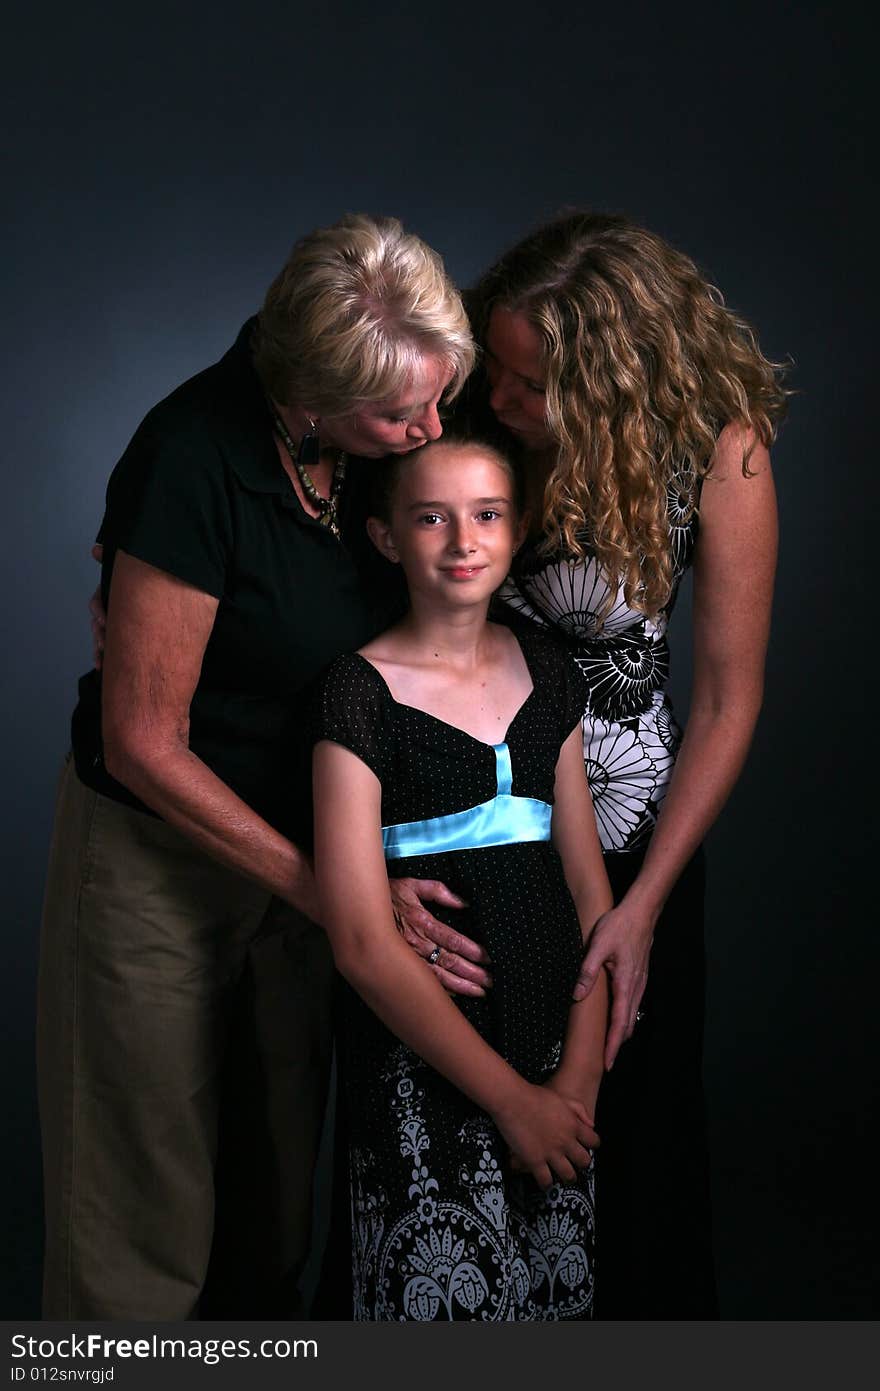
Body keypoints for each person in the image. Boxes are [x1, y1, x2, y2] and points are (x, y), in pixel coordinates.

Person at [36, 213, 478, 1320]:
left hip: (320, 839)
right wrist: (337, 894)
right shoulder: (190, 454)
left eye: (441, 394)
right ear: (308, 396)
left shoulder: (398, 430)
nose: (430, 426)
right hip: (161, 846)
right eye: (397, 412)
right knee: (143, 1188)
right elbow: (143, 741)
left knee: (277, 1185)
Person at [441, 211, 786, 1317]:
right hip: (465, 816)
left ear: (607, 384)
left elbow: (729, 699)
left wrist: (643, 904)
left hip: (637, 835)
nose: (497, 398)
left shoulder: (717, 448)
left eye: (527, 385)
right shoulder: (466, 417)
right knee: (463, 1135)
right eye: (493, 367)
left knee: (634, 1146)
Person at [310, 435, 611, 1320]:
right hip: (423, 1069)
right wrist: (509, 1101)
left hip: (558, 1066)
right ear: (384, 535)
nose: (461, 539)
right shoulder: (358, 692)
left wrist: (575, 1088)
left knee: (552, 1305)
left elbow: (594, 900)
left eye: (486, 515)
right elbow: (364, 940)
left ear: (517, 531)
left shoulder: (547, 672)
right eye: (431, 517)